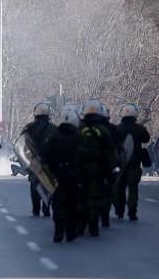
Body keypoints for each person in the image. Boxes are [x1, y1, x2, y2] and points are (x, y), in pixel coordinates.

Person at [77, 100, 118, 238]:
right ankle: (93, 225)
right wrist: (110, 169)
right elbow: (110, 152)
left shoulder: (79, 129)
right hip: (98, 170)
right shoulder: (104, 131)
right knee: (95, 198)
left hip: (81, 170)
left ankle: (81, 225)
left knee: (81, 197)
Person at [41, 109, 82, 242]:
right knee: (72, 203)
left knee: (58, 203)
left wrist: (50, 169)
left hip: (57, 175)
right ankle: (70, 232)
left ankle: (59, 231)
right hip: (74, 175)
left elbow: (45, 156)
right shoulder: (78, 137)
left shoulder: (54, 136)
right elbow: (84, 156)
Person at [113, 103, 151, 221]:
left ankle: (119, 211)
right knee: (133, 188)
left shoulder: (118, 128)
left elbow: (113, 142)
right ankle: (132, 212)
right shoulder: (139, 128)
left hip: (120, 163)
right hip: (134, 162)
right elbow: (146, 138)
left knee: (120, 187)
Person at [20, 103, 55, 217]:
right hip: (49, 162)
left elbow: (24, 145)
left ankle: (36, 208)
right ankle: (46, 208)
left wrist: (28, 158)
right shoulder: (53, 128)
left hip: (34, 162)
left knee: (34, 184)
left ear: (35, 114)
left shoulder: (29, 128)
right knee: (49, 184)